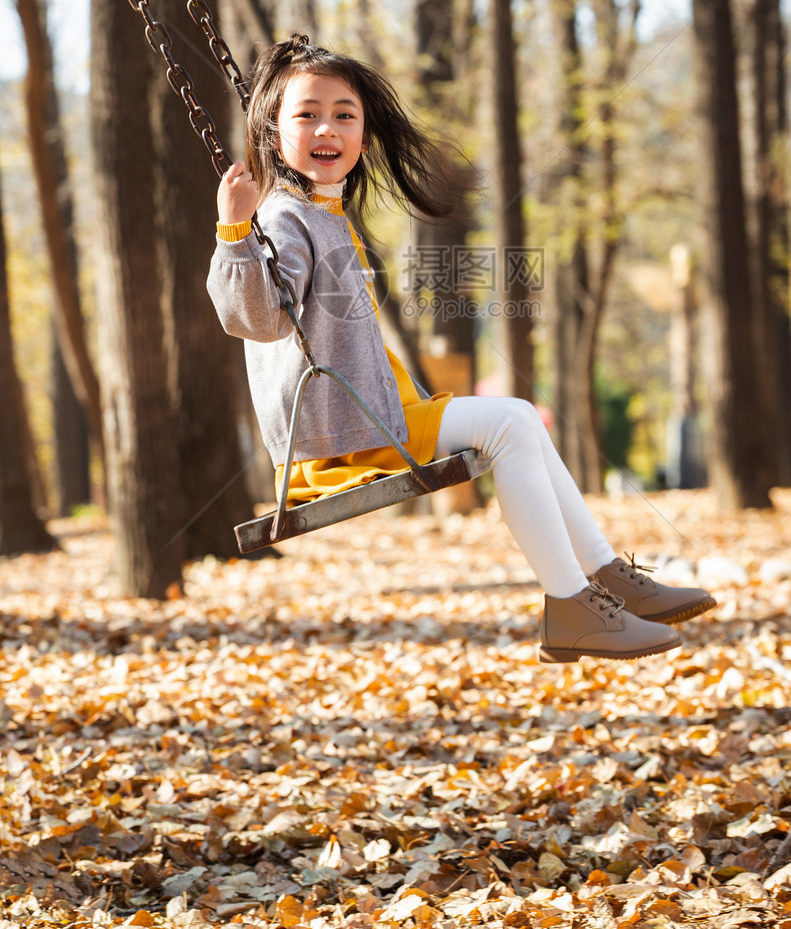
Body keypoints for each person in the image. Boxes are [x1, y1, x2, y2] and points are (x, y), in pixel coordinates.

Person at [207, 34, 715, 663]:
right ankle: (575, 600)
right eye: (306, 114)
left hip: (367, 420)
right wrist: (233, 229)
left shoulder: (324, 211)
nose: (326, 127)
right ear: (273, 133)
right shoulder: (283, 216)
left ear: (364, 137)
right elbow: (254, 318)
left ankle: (600, 580)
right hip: (343, 437)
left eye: (344, 114)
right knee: (509, 420)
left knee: (518, 417)